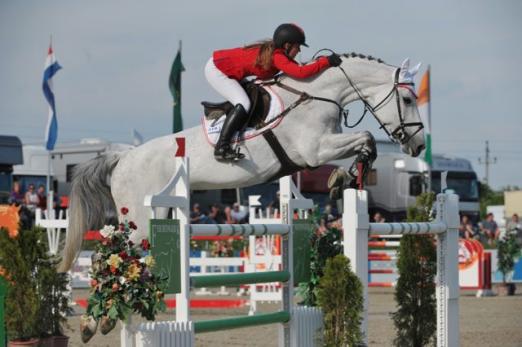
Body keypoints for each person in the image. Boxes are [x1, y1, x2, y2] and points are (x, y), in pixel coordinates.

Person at [205, 23, 343, 161]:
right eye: (297, 46)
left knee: (247, 96)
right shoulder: (277, 56)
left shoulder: (276, 53)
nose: (299, 50)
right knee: (244, 102)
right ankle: (221, 148)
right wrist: (327, 62)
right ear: (287, 45)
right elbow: (300, 73)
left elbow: (292, 70)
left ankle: (226, 115)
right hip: (217, 70)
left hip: (228, 70)